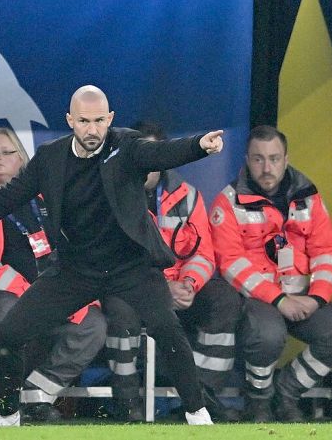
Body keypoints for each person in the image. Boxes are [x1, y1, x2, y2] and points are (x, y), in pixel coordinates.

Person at [0, 85, 224, 427]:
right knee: (10, 333)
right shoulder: (50, 158)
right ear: (70, 120)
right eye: (84, 121)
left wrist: (199, 146)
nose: (92, 129)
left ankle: (197, 413)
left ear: (110, 119)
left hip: (130, 265)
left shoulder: (127, 146)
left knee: (166, 328)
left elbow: (162, 154)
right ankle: (7, 413)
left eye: (100, 121)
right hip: (76, 269)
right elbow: (4, 200)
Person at [0, 127, 106, 422]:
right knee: (6, 310)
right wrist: (24, 289)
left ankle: (37, 397)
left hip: (48, 292)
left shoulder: (46, 199)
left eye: (5, 152)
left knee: (92, 323)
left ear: (21, 158)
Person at [210, 125, 332, 422]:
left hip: (303, 297)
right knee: (268, 334)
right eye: (258, 159)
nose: (267, 167)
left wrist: (317, 298)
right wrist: (278, 300)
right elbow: (231, 263)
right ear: (247, 160)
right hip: (257, 299)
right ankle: (258, 400)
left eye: (274, 158)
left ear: (286, 159)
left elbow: (327, 251)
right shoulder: (228, 201)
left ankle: (285, 393)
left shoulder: (308, 197)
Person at [103, 121, 240, 422]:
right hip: (132, 290)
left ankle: (202, 394)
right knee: (119, 310)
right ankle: (126, 401)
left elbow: (203, 253)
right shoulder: (110, 195)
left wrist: (189, 283)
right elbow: (113, 259)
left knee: (224, 299)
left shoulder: (187, 196)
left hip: (180, 289)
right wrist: (164, 289)